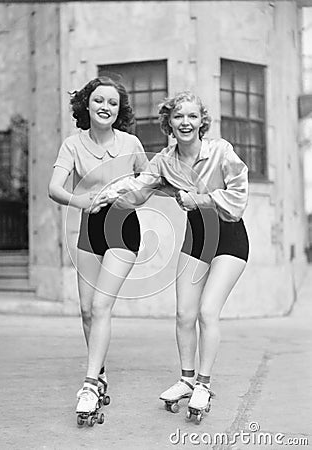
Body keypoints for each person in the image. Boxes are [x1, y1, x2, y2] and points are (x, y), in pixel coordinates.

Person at [101, 91, 249, 419]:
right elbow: (140, 189)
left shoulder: (221, 151)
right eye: (178, 116)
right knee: (184, 314)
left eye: (192, 116)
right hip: (196, 238)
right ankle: (186, 379)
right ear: (169, 122)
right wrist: (112, 195)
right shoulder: (165, 161)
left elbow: (239, 198)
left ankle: (204, 384)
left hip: (229, 237)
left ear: (202, 122)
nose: (185, 122)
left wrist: (202, 200)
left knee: (208, 312)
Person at [48, 76, 149, 418]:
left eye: (113, 103)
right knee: (87, 310)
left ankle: (89, 383)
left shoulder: (131, 143)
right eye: (99, 101)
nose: (105, 107)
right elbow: (54, 187)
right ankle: (101, 371)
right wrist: (81, 200)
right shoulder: (72, 145)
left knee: (103, 305)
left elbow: (149, 181)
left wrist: (135, 193)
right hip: (89, 228)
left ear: (119, 111)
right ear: (86, 105)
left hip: (123, 228)